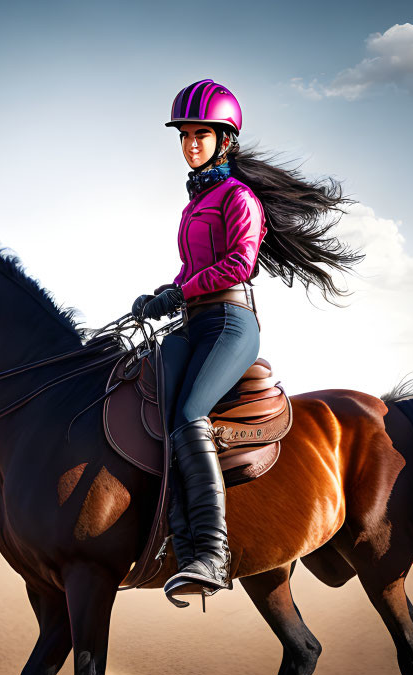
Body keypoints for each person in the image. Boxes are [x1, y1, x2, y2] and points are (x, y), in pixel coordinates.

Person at [132, 79, 363, 608]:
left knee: (190, 414)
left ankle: (209, 552)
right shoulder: (195, 205)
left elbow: (240, 264)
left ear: (225, 139)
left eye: (201, 134)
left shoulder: (239, 197)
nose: (190, 143)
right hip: (193, 323)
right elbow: (192, 268)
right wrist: (163, 294)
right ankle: (159, 531)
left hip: (231, 324)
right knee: (143, 389)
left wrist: (179, 291)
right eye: (184, 135)